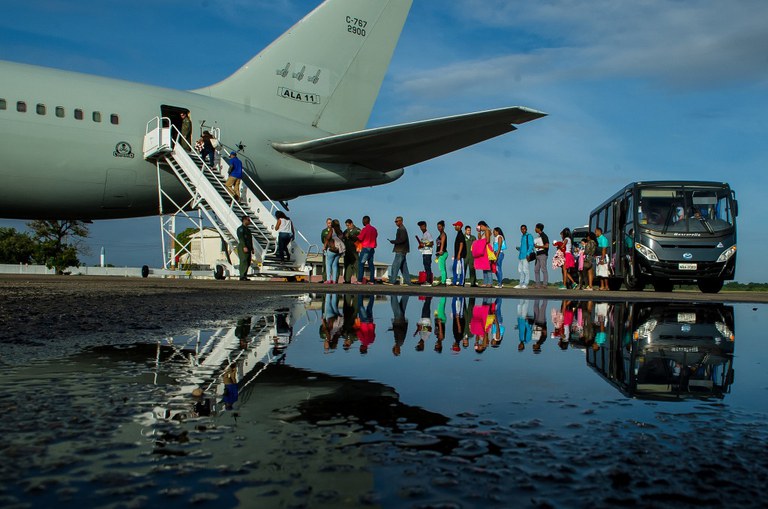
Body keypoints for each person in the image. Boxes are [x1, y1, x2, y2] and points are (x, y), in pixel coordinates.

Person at [387, 216, 411, 285]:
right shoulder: (402, 229)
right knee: (403, 267)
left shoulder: (401, 229)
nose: (396, 223)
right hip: (403, 250)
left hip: (400, 250)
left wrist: (394, 241)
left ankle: (392, 281)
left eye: (397, 221)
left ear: (401, 221)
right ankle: (408, 282)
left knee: (395, 266)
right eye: (395, 221)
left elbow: (402, 240)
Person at [356, 215, 377, 284]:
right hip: (372, 248)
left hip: (365, 248)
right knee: (371, 264)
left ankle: (359, 280)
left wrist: (357, 235)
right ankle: (371, 280)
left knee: (361, 263)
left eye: (363, 221)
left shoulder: (364, 229)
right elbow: (376, 235)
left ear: (364, 221)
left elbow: (360, 238)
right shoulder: (374, 229)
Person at [471, 221, 494, 287]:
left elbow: (487, 240)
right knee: (484, 266)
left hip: (487, 249)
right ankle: (485, 282)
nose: (480, 228)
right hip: (484, 249)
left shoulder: (487, 230)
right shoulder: (484, 232)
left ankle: (489, 282)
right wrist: (479, 232)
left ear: (482, 225)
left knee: (487, 267)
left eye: (480, 226)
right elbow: (480, 239)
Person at [323, 219, 345, 284]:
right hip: (339, 250)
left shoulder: (332, 230)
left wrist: (324, 246)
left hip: (332, 249)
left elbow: (327, 238)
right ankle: (334, 280)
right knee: (335, 265)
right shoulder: (340, 231)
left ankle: (329, 279)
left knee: (328, 264)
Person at [515, 224, 535, 289]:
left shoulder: (528, 236)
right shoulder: (522, 236)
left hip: (526, 256)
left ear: (526, 229)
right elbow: (523, 246)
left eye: (524, 229)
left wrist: (528, 253)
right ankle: (521, 283)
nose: (523, 230)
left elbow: (531, 245)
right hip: (521, 256)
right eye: (522, 229)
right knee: (520, 270)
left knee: (525, 270)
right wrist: (519, 248)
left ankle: (525, 283)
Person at [342, 218, 361, 284]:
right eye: (346, 225)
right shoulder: (345, 231)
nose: (347, 227)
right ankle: (347, 280)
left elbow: (359, 238)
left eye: (348, 225)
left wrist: (350, 236)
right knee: (347, 265)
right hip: (347, 250)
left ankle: (359, 279)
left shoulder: (357, 230)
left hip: (354, 250)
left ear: (351, 223)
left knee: (356, 264)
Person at [415, 220, 433, 285]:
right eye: (420, 227)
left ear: (425, 226)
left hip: (428, 253)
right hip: (424, 252)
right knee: (426, 267)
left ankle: (428, 281)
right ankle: (427, 280)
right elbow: (423, 244)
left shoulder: (428, 234)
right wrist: (420, 246)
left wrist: (424, 245)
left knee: (428, 267)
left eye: (422, 226)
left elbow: (431, 243)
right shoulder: (423, 235)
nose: (421, 228)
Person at [237, 216, 253, 280]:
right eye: (248, 220)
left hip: (248, 247)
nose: (249, 221)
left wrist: (252, 248)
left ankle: (245, 275)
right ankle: (242, 276)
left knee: (248, 261)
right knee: (244, 261)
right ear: (244, 220)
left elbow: (250, 239)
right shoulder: (241, 229)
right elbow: (241, 239)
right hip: (243, 247)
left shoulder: (248, 230)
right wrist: (244, 246)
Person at [533, 223, 549, 288]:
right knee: (536, 269)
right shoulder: (538, 236)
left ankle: (545, 284)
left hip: (543, 254)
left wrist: (538, 246)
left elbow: (547, 246)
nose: (535, 229)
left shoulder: (544, 236)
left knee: (543, 269)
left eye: (536, 228)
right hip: (538, 254)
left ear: (538, 228)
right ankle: (538, 284)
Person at [433, 220, 448, 286]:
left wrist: (441, 251)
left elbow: (442, 243)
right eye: (438, 227)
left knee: (441, 268)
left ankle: (443, 282)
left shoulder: (443, 234)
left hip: (443, 253)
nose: (439, 228)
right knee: (443, 267)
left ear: (443, 227)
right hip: (441, 253)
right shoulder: (440, 234)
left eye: (440, 227)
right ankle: (444, 280)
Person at [451, 221, 466, 287]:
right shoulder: (458, 234)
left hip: (460, 255)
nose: (455, 227)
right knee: (455, 268)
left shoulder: (461, 235)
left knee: (461, 269)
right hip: (456, 255)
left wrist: (459, 254)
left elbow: (461, 244)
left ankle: (461, 282)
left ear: (459, 226)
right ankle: (454, 281)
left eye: (456, 226)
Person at [320, 218, 332, 282]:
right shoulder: (324, 231)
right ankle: (324, 278)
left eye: (330, 223)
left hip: (332, 249)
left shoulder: (334, 230)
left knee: (333, 264)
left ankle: (334, 279)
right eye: (328, 223)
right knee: (325, 264)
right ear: (326, 223)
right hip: (326, 248)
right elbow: (322, 239)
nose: (329, 224)